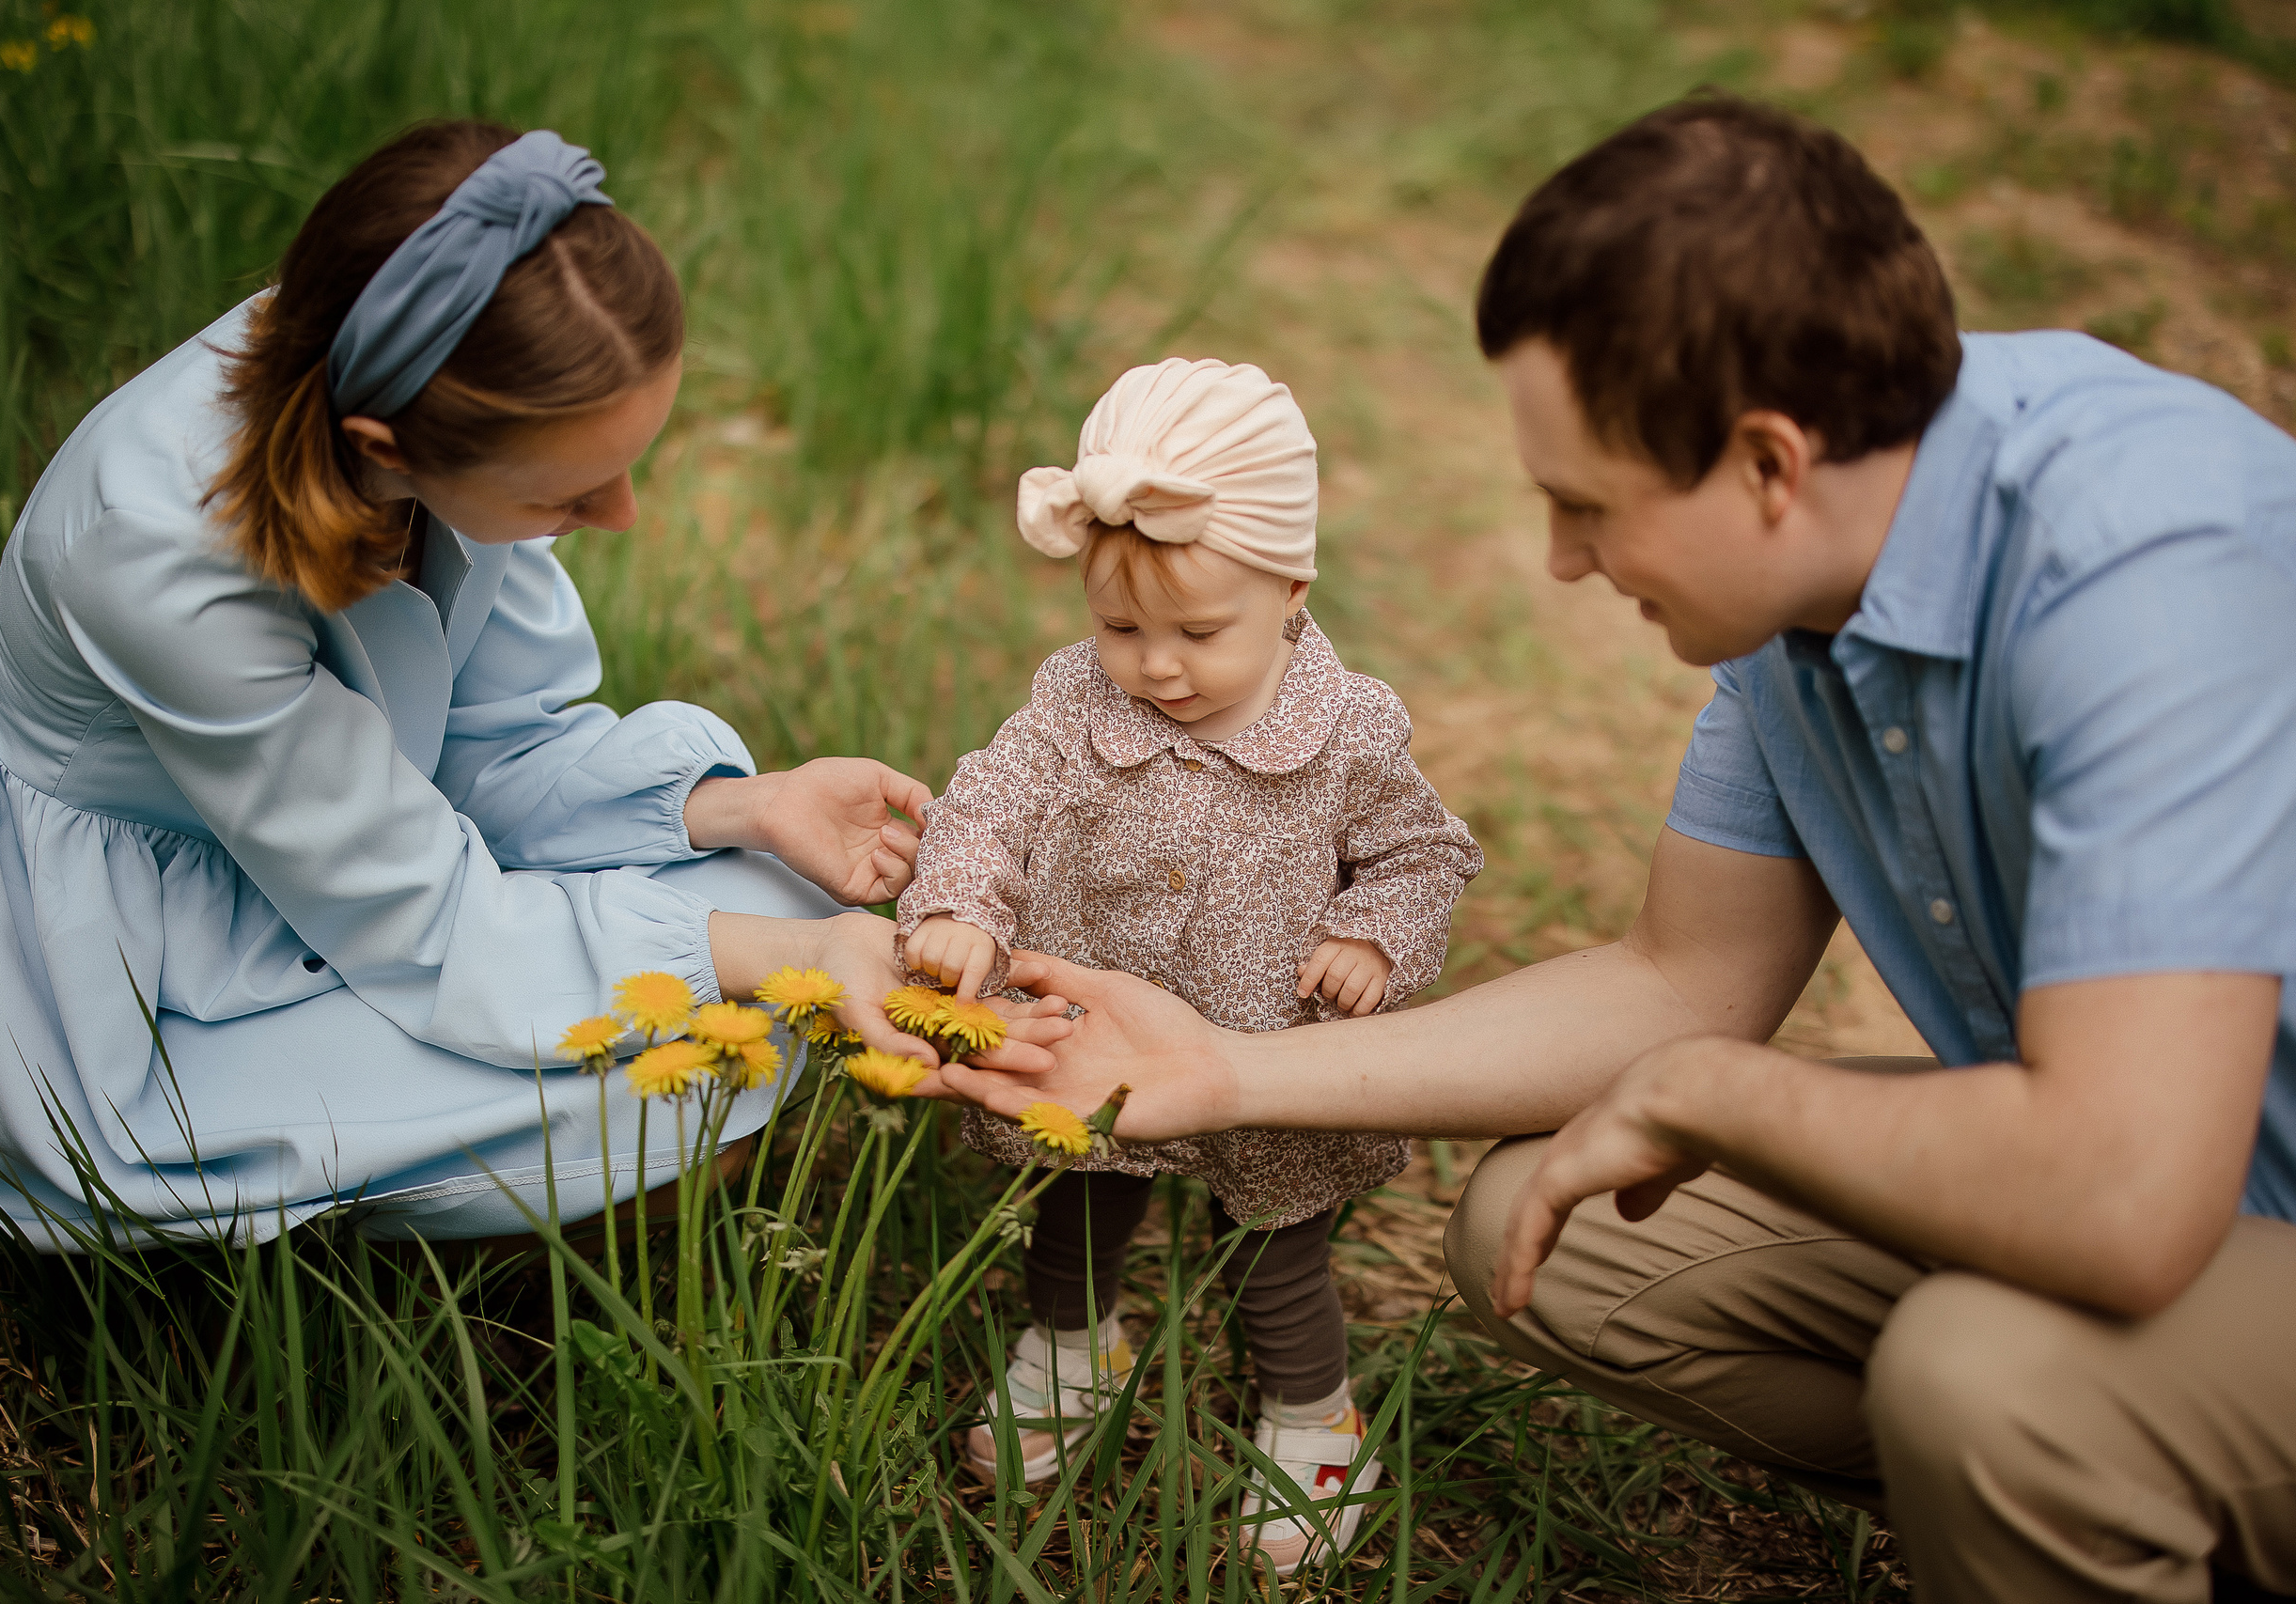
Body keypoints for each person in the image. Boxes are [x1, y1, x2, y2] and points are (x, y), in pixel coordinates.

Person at [938, 96, 2296, 1600]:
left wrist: (1718, 1092)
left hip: (2192, 1189)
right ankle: (2117, 1492)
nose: (1563, 560)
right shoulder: (1812, 586)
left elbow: (2120, 1192)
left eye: (1587, 506)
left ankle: (2084, 1461)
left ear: (1767, 463)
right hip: (2155, 1174)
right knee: (1552, 1233)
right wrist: (1233, 1073)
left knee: (1984, 1380)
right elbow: (1680, 980)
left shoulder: (2140, 578)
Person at [0, 120, 1059, 1251]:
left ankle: (518, 1163)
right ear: (388, 449)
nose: (618, 516)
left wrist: (735, 808)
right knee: (687, 1065)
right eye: (569, 493)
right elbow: (429, 925)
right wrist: (780, 959)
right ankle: (407, 1217)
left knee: (780, 893)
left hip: (351, 855)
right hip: (137, 948)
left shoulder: (428, 375)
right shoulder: (163, 566)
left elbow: (482, 745)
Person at [896, 358, 1480, 1570]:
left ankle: (1311, 1411)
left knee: (1274, 1241)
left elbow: (1423, 851)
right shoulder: (1069, 703)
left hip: (1270, 1046)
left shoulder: (1348, 729)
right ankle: (1073, 1349)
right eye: (1120, 627)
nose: (1156, 666)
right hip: (1096, 1029)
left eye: (1197, 633)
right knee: (1081, 1195)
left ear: (1291, 590)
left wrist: (1372, 931)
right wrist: (959, 903)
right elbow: (985, 805)